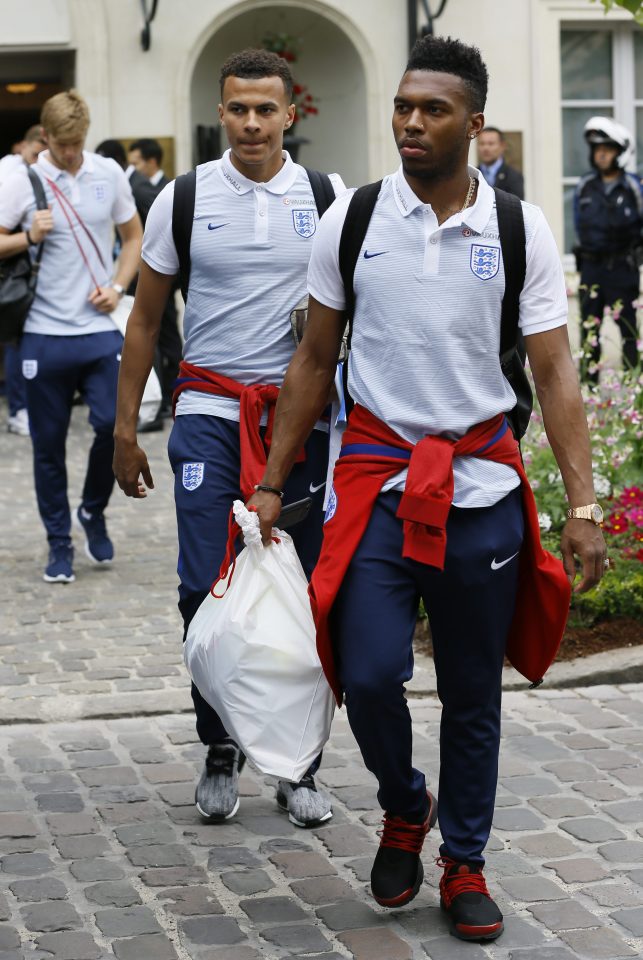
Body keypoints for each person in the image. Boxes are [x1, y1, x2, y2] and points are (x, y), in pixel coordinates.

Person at [249, 35, 607, 942]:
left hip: (479, 486)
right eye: (404, 106)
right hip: (373, 484)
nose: (409, 121)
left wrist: (585, 503)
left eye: (431, 109)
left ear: (472, 124)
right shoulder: (356, 219)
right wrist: (269, 481)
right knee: (366, 674)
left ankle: (465, 862)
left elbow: (555, 372)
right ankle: (405, 803)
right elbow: (311, 356)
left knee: (471, 696)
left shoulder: (516, 229)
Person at [113, 49, 345, 828]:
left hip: (297, 421)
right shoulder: (184, 198)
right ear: (222, 112)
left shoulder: (327, 197)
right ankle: (219, 744)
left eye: (264, 109)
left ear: (289, 114)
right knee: (200, 584)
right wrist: (124, 428)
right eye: (237, 108)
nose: (250, 122)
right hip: (208, 413)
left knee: (299, 591)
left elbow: (359, 311)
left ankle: (296, 762)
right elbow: (146, 319)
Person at [0, 91, 142, 583]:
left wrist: (119, 285)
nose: (71, 153)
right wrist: (27, 237)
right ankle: (58, 542)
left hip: (98, 331)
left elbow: (132, 237)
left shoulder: (106, 173)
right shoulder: (23, 180)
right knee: (48, 445)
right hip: (42, 334)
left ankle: (92, 510)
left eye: (78, 143)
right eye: (63, 145)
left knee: (112, 426)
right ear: (46, 138)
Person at [574, 117, 642, 383]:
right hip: (591, 268)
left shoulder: (634, 186)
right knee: (589, 329)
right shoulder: (584, 186)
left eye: (607, 149)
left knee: (627, 329)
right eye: (596, 149)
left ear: (621, 153)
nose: (600, 154)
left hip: (623, 268)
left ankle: (632, 384)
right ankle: (589, 386)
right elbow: (579, 225)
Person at [126, 138, 182, 426]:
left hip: (166, 272)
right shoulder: (143, 187)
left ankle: (166, 393)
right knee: (164, 330)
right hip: (156, 271)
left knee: (164, 332)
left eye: (135, 164)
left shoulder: (165, 191)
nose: (131, 170)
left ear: (151, 161)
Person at [0, 125, 47, 437]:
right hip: (18, 276)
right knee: (17, 342)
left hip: (39, 276)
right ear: (24, 148)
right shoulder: (12, 176)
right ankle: (18, 409)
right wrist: (29, 236)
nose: (37, 161)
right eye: (34, 154)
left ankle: (29, 406)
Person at [477, 126, 524, 199]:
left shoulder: (513, 176)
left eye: (491, 144)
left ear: (502, 146)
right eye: (482, 144)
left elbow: (517, 206)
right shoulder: (472, 175)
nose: (485, 148)